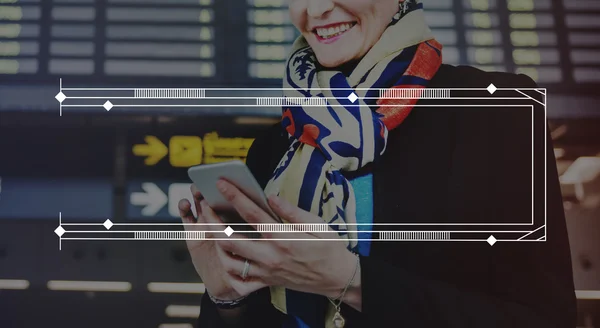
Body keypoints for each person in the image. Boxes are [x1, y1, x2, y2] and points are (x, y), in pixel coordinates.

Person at [178, 0, 577, 327]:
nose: (315, 10)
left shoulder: (496, 110)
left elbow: (545, 318)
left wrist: (353, 283)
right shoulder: (275, 145)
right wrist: (226, 298)